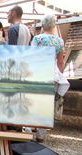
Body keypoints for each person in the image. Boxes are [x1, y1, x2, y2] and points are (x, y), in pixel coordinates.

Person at [31, 14, 68, 142]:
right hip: (52, 74)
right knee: (47, 104)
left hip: (39, 72)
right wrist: (60, 75)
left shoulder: (37, 39)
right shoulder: (59, 41)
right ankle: (41, 135)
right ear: (54, 26)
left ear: (42, 25)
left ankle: (29, 129)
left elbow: (32, 57)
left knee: (33, 101)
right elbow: (60, 61)